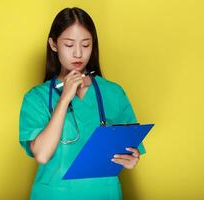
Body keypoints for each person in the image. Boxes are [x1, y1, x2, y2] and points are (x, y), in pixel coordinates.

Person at [19, 7, 146, 200]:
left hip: (105, 193)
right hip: (54, 194)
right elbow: (43, 155)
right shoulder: (36, 97)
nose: (78, 53)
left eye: (86, 45)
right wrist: (64, 99)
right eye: (69, 45)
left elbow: (128, 146)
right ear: (53, 44)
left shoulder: (114, 93)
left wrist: (131, 159)